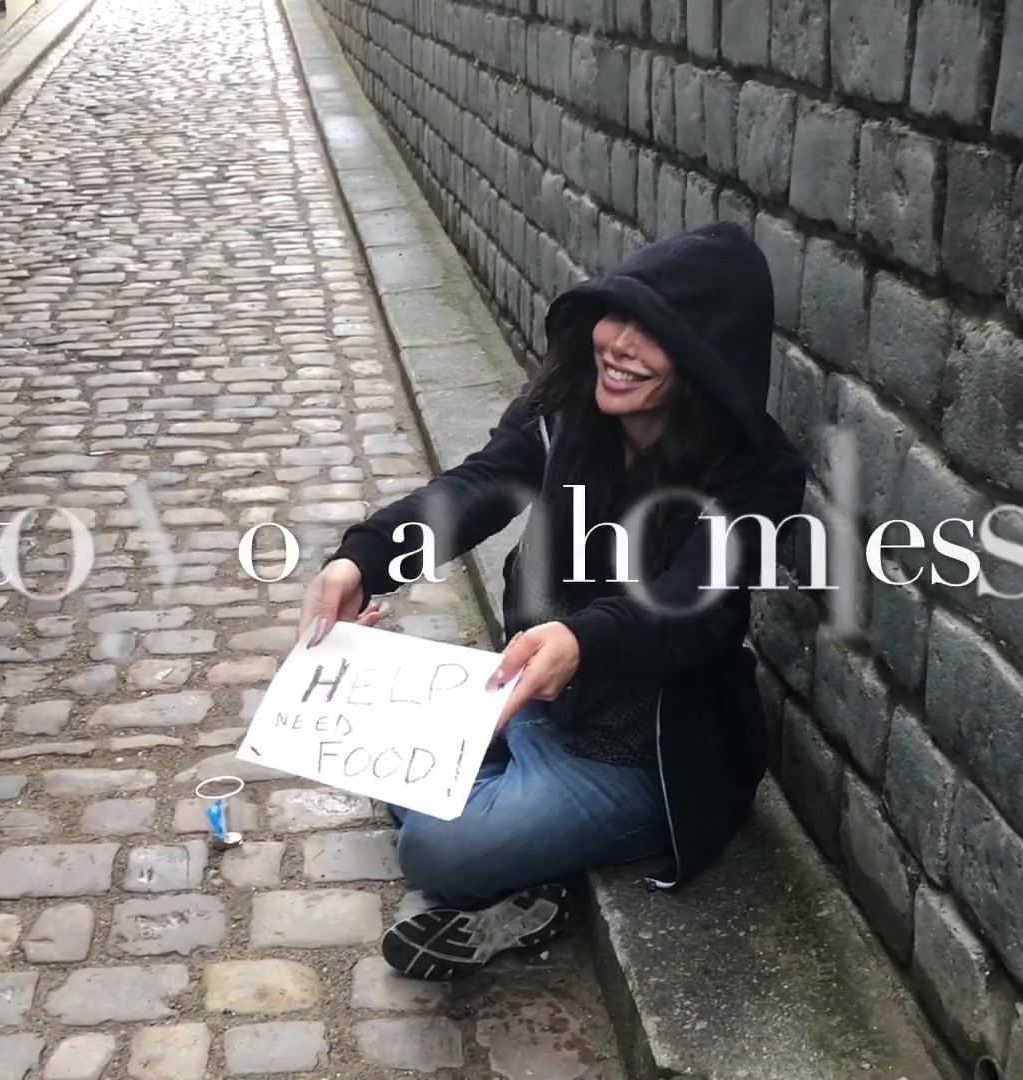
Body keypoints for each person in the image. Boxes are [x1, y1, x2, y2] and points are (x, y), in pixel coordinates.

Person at [297, 221, 809, 981]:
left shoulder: (756, 476)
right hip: (534, 697)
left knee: (434, 850)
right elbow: (476, 488)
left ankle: (522, 841)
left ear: (707, 356)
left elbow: (690, 603)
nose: (619, 345)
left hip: (639, 751)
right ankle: (525, 837)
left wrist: (582, 641)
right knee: (365, 733)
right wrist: (363, 559)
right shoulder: (568, 411)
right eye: (616, 316)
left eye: (653, 333)